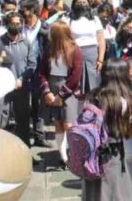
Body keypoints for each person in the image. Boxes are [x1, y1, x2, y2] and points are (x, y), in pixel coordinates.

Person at [82, 60, 132, 201]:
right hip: (116, 155)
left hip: (93, 155)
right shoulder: (123, 102)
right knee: (122, 192)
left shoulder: (92, 96)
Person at [38, 21, 83, 168]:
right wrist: (47, 92)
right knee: (57, 123)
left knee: (69, 124)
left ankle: (73, 154)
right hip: (52, 86)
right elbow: (42, 72)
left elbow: (76, 75)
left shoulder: (75, 50)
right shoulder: (49, 49)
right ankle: (63, 156)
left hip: (68, 90)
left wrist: (61, 96)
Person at [1, 12, 38, 146]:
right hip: (5, 88)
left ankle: (25, 150)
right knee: (3, 122)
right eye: (13, 23)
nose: (16, 26)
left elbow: (32, 64)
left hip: (22, 87)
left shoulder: (26, 43)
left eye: (18, 24)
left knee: (23, 121)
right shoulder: (0, 43)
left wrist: (22, 79)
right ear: (7, 24)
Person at [68, 0, 106, 93]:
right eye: (79, 2)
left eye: (84, 2)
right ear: (74, 4)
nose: (82, 4)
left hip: (92, 55)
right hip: (74, 54)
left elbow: (101, 40)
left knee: (93, 85)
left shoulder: (95, 19)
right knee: (76, 84)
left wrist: (100, 60)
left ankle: (92, 107)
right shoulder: (68, 20)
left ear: (88, 4)